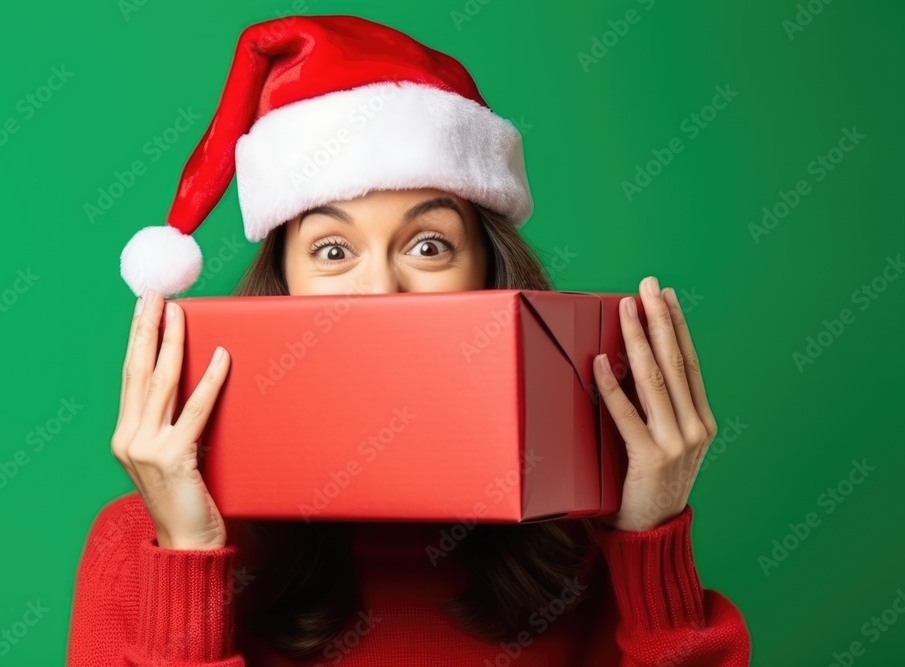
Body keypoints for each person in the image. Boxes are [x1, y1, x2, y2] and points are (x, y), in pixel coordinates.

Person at [67, 15, 752, 666]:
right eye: (333, 250)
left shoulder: (587, 548)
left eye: (428, 245)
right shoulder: (142, 546)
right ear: (283, 287)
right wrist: (189, 557)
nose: (381, 290)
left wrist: (649, 545)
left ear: (491, 276)